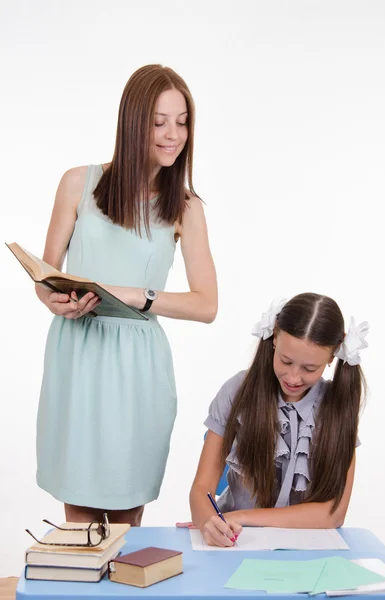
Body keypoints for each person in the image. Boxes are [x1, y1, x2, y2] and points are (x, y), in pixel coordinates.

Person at [35, 64, 217, 526]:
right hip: (78, 352)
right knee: (78, 511)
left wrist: (140, 295)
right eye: (159, 122)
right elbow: (46, 273)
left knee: (123, 517)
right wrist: (52, 298)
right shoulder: (79, 182)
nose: (173, 134)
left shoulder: (186, 206)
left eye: (182, 121)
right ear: (133, 122)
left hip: (138, 365)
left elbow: (206, 304)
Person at [188, 293, 368, 547]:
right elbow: (201, 488)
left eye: (309, 369)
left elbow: (333, 513)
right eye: (285, 361)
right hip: (235, 540)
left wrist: (240, 516)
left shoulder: (337, 407)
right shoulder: (237, 390)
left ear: (331, 357)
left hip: (305, 545)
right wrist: (208, 520)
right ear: (273, 339)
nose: (293, 377)